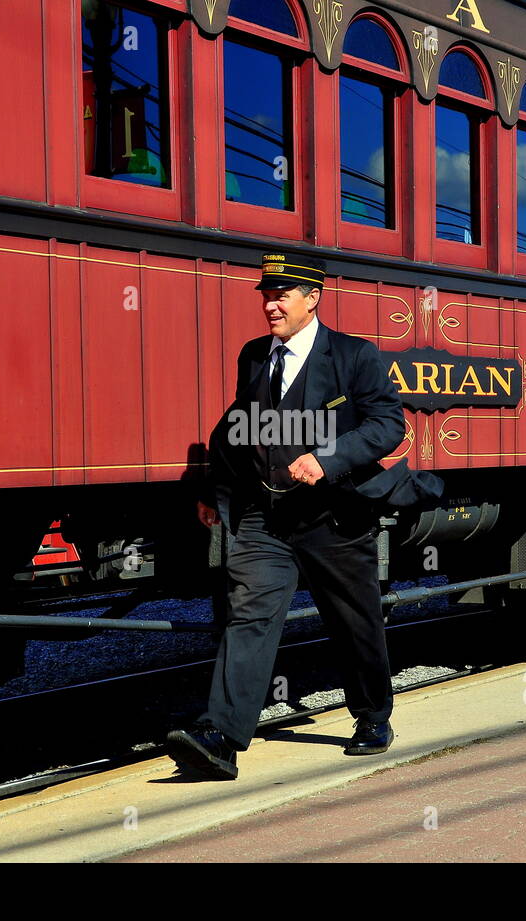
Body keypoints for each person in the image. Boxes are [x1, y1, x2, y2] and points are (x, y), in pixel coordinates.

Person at [165, 251, 408, 780]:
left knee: (353, 620)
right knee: (247, 617)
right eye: (266, 296)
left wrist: (328, 459)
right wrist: (214, 488)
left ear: (312, 297)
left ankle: (372, 716)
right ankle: (221, 738)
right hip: (264, 517)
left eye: (281, 296)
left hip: (333, 518)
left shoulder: (354, 356)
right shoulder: (254, 356)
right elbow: (237, 427)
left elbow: (389, 426)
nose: (270, 305)